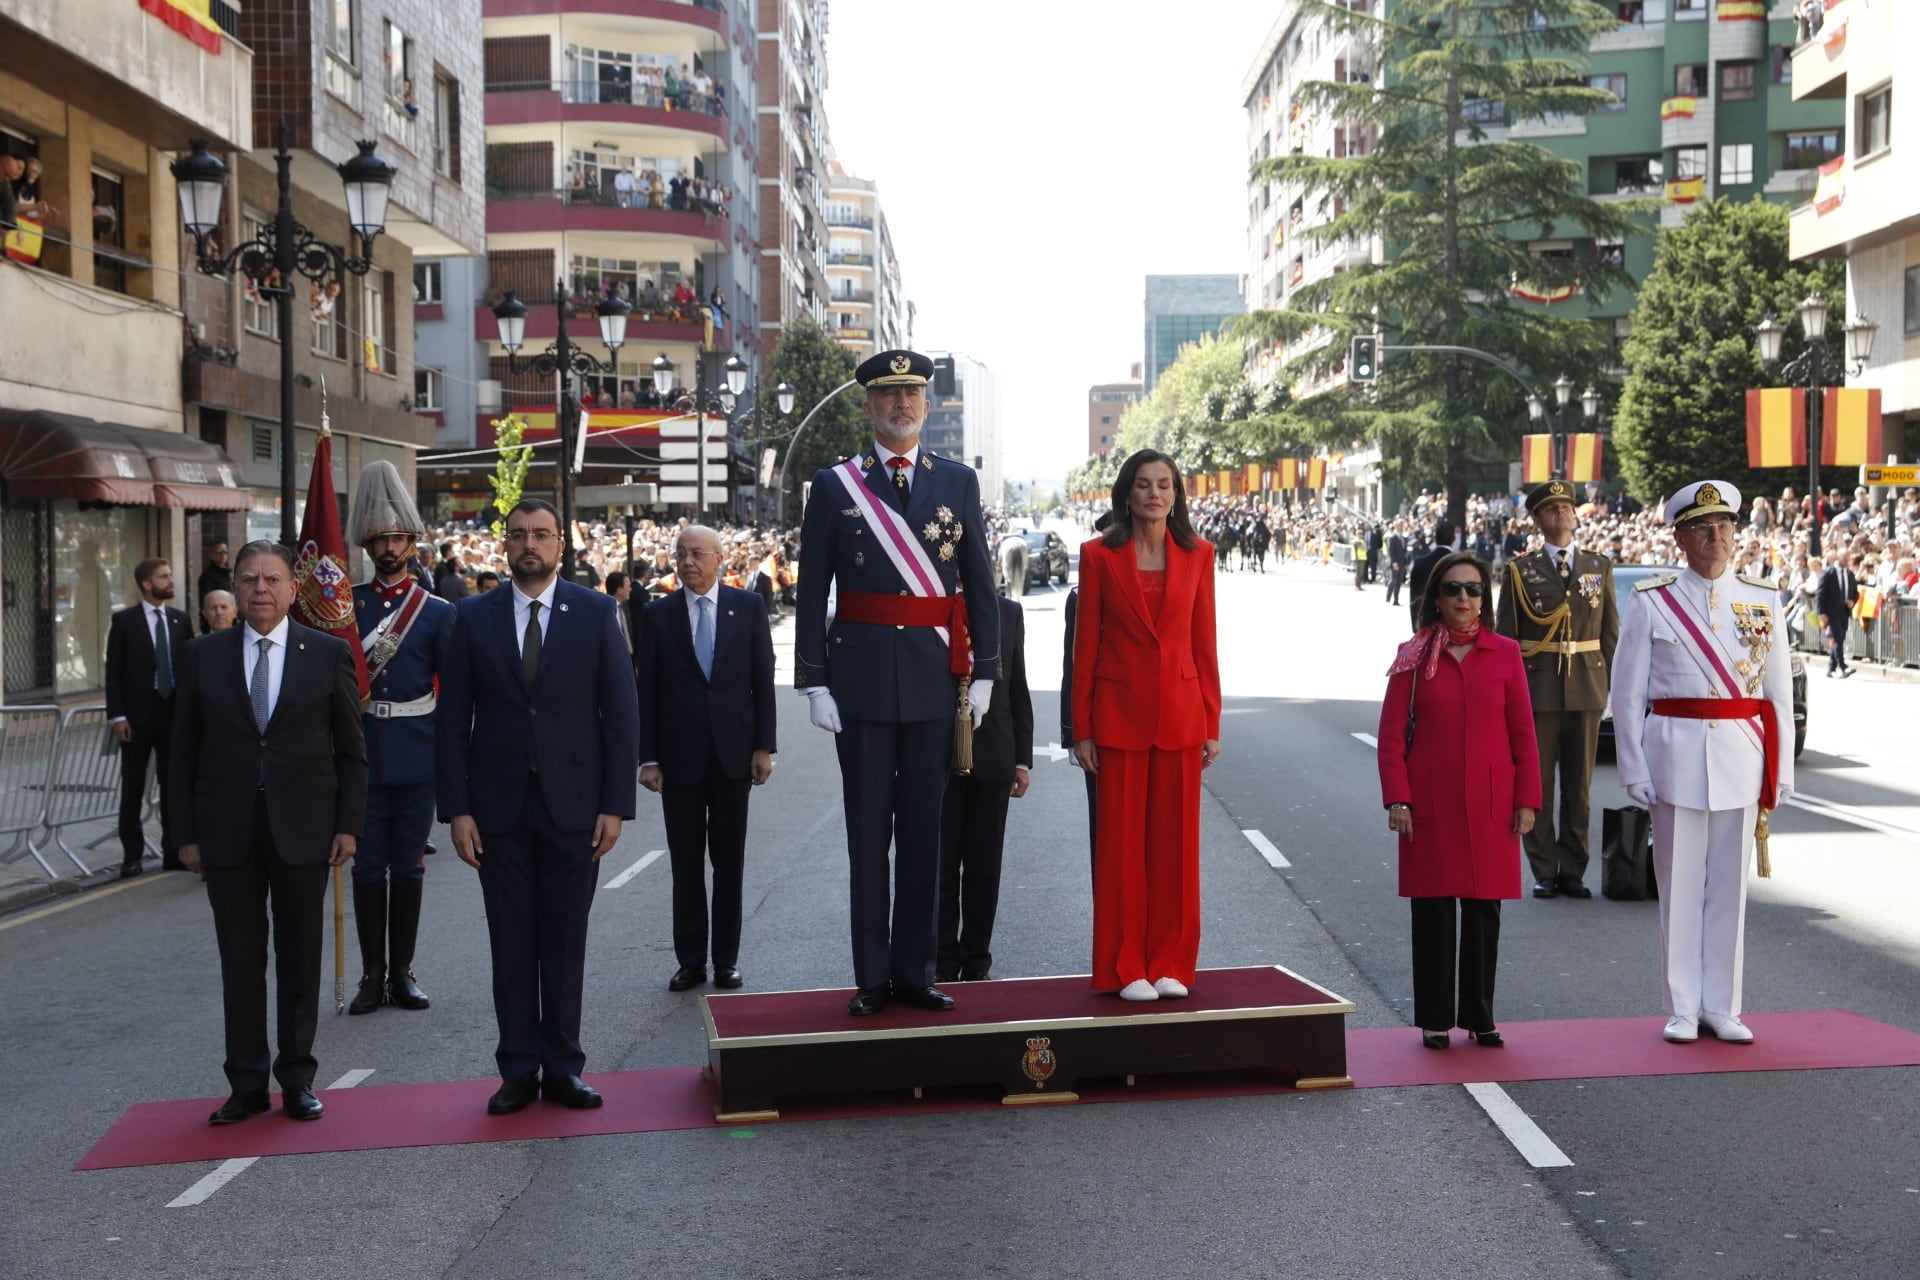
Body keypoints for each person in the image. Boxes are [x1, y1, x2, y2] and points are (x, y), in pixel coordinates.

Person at [793, 348, 1000, 1016]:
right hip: (859, 682)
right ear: (869, 407)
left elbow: (980, 583)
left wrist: (986, 672)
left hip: (935, 680)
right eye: (888, 395)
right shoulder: (835, 486)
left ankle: (916, 970)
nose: (901, 404)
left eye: (912, 394)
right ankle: (872, 975)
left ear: (928, 405)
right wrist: (813, 682)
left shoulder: (958, 482)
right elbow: (812, 589)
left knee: (923, 834)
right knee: (866, 836)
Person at [436, 498, 639, 1114]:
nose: (531, 544)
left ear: (559, 545)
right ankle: (518, 1069)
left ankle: (565, 1066)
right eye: (520, 534)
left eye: (542, 534)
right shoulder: (472, 616)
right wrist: (458, 809)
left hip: (576, 806)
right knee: (512, 943)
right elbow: (452, 722)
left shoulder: (598, 611)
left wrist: (615, 805)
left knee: (565, 938)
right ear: (506, 545)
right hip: (498, 809)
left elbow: (621, 712)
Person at [171, 541, 367, 1124]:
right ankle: (247, 1083)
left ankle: (297, 1078)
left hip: (304, 830)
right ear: (234, 586)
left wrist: (348, 827)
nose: (260, 589)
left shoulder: (326, 653)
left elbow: (352, 753)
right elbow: (182, 753)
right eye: (249, 578)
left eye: (272, 579)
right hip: (226, 830)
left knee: (300, 957)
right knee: (240, 959)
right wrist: (184, 833)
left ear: (291, 589)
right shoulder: (202, 655)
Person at [1609, 481, 1794, 1045]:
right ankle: (1683, 1006)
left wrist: (1779, 772)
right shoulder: (1652, 600)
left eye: (1724, 527)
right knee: (1680, 886)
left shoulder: (1763, 600)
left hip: (1740, 756)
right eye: (1703, 528)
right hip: (1676, 756)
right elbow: (1625, 694)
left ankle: (1724, 1005)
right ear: (1680, 537)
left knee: (1730, 892)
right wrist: (1633, 767)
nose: (1716, 537)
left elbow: (1778, 697)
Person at [1073, 449, 1222, 1001]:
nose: (1154, 494)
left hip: (1183, 717)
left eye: (1164, 485)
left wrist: (1212, 720)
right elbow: (1085, 646)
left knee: (1177, 852)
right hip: (1117, 718)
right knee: (1121, 852)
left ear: (1176, 495)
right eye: (1143, 485)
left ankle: (1171, 962)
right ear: (1127, 494)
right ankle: (1124, 965)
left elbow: (1204, 643)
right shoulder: (1098, 556)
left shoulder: (1200, 554)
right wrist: (1081, 727)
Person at [1378, 552, 1539, 1049]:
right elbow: (1389, 738)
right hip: (1429, 802)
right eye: (1452, 589)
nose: (1463, 599)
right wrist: (1397, 799)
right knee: (1432, 912)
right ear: (1436, 598)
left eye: (1472, 589)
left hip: (1491, 799)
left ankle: (1479, 1016)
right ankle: (1434, 1018)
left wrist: (1527, 800)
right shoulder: (1413, 654)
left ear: (1483, 598)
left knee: (1483, 911)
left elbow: (1523, 733)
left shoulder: (1506, 652)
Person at [637, 525, 777, 992]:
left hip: (734, 756)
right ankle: (691, 959)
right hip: (678, 761)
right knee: (685, 865)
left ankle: (726, 960)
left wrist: (763, 746)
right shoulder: (658, 615)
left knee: (729, 862)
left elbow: (762, 680)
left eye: (698, 553)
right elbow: (648, 692)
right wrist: (648, 758)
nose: (688, 561)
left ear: (721, 558)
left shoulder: (748, 607)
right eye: (681, 553)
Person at [345, 462, 456, 1016]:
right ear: (367, 544)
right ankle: (370, 975)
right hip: (362, 754)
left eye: (398, 538)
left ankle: (403, 971)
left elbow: (455, 696)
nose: (389, 548)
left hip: (418, 752)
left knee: (408, 866)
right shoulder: (346, 610)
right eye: (380, 538)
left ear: (412, 542)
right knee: (367, 868)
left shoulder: (438, 614)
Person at [1493, 480, 1620, 899]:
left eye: (1567, 506)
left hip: (1586, 685)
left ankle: (1574, 870)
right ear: (1537, 520)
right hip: (1539, 688)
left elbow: (1609, 634)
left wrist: (1611, 688)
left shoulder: (1599, 567)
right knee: (1538, 785)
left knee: (1579, 788)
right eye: (1552, 508)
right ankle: (1545, 868)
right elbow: (1506, 640)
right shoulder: (1521, 571)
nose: (1562, 513)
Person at [937, 594, 1033, 983]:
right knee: (941, 867)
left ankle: (976, 958)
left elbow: (1017, 687)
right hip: (939, 755)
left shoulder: (1007, 612)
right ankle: (942, 959)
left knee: (984, 867)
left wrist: (1022, 759)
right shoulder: (934, 605)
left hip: (994, 756)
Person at [105, 558, 192, 878]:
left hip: (173, 713)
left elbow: (189, 669)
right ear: (147, 584)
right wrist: (117, 716)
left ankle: (174, 851)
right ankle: (132, 855)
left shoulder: (180, 620)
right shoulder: (125, 621)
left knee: (174, 784)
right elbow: (113, 672)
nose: (171, 581)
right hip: (138, 716)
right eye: (164, 577)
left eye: (170, 575)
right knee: (133, 786)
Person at [1815, 551, 1859, 678]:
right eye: (1844, 558)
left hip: (1844, 611)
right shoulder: (1829, 572)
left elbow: (1855, 593)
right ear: (1838, 557)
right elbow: (1820, 593)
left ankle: (1831, 667)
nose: (1846, 560)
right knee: (1838, 638)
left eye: (1848, 558)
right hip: (1831, 611)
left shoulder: (1849, 574)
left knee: (1840, 639)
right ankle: (1843, 666)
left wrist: (1853, 601)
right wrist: (1821, 612)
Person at [1408, 519, 1456, 631]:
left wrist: (1416, 627)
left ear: (1435, 538)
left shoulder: (1420, 562)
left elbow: (1414, 597)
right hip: (1451, 627)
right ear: (1453, 539)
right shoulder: (1458, 564)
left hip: (1425, 625)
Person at [197, 540, 232, 633]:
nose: (222, 555)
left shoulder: (226, 573)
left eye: (225, 552)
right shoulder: (208, 575)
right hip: (214, 622)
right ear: (211, 554)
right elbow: (207, 602)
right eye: (219, 552)